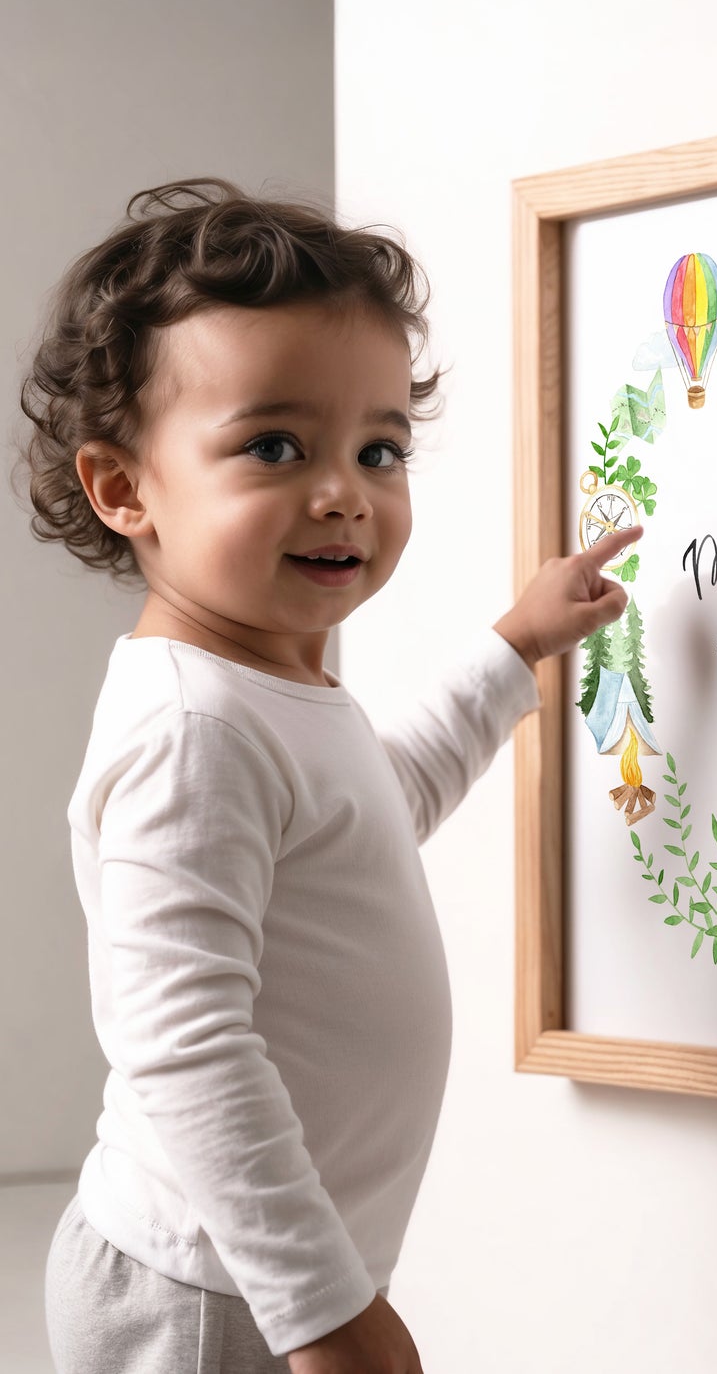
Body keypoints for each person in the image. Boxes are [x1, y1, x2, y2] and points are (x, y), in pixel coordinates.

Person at [12, 178, 642, 1373]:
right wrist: (322, 1307)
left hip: (257, 1268)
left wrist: (510, 650)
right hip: (202, 1289)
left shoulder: (273, 689)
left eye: (379, 447)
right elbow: (182, 1036)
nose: (344, 488)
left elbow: (375, 810)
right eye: (274, 445)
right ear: (123, 488)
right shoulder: (193, 726)